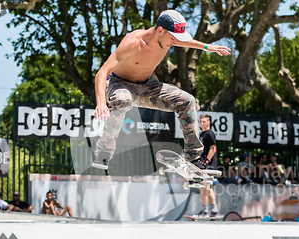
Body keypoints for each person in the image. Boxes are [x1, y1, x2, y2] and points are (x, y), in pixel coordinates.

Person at [91, 9, 231, 171]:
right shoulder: (133, 42)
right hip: (121, 84)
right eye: (172, 39)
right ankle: (104, 152)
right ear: (159, 30)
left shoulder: (167, 38)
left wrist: (207, 47)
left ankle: (193, 158)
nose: (174, 43)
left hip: (148, 86)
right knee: (123, 100)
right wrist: (101, 102)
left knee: (187, 101)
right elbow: (101, 73)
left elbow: (186, 42)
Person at [197, 114, 219, 217]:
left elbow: (213, 148)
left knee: (207, 186)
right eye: (200, 121)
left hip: (208, 166)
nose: (201, 123)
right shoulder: (202, 134)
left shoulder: (209, 133)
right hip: (203, 166)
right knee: (203, 187)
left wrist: (206, 161)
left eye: (204, 121)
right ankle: (205, 210)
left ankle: (213, 210)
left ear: (208, 122)